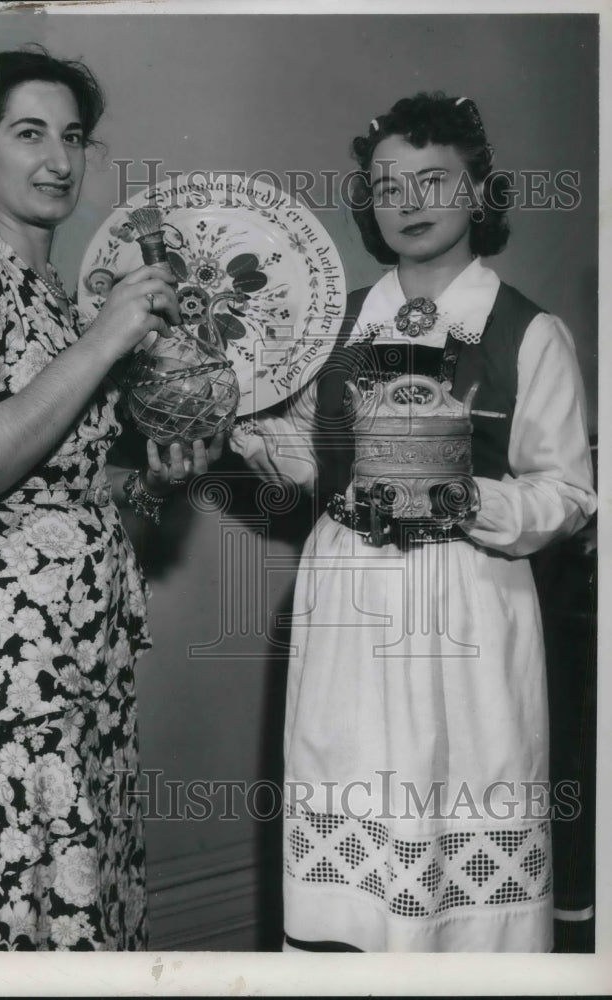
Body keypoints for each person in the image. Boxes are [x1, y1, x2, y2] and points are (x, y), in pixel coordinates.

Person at [229, 92, 596, 952]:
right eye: (389, 185)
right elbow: (314, 458)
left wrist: (469, 498)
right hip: (349, 604)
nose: (411, 201)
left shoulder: (528, 331)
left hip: (467, 603)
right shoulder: (337, 323)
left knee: (465, 786)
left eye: (435, 180)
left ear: (479, 194)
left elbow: (569, 493)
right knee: (353, 791)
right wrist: (236, 414)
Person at [0, 46, 221, 951]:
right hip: (5, 660)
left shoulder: (62, 297)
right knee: (19, 889)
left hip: (87, 645)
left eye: (72, 136)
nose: (58, 159)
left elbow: (65, 480)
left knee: (83, 883)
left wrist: (155, 477)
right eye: (27, 133)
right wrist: (109, 338)